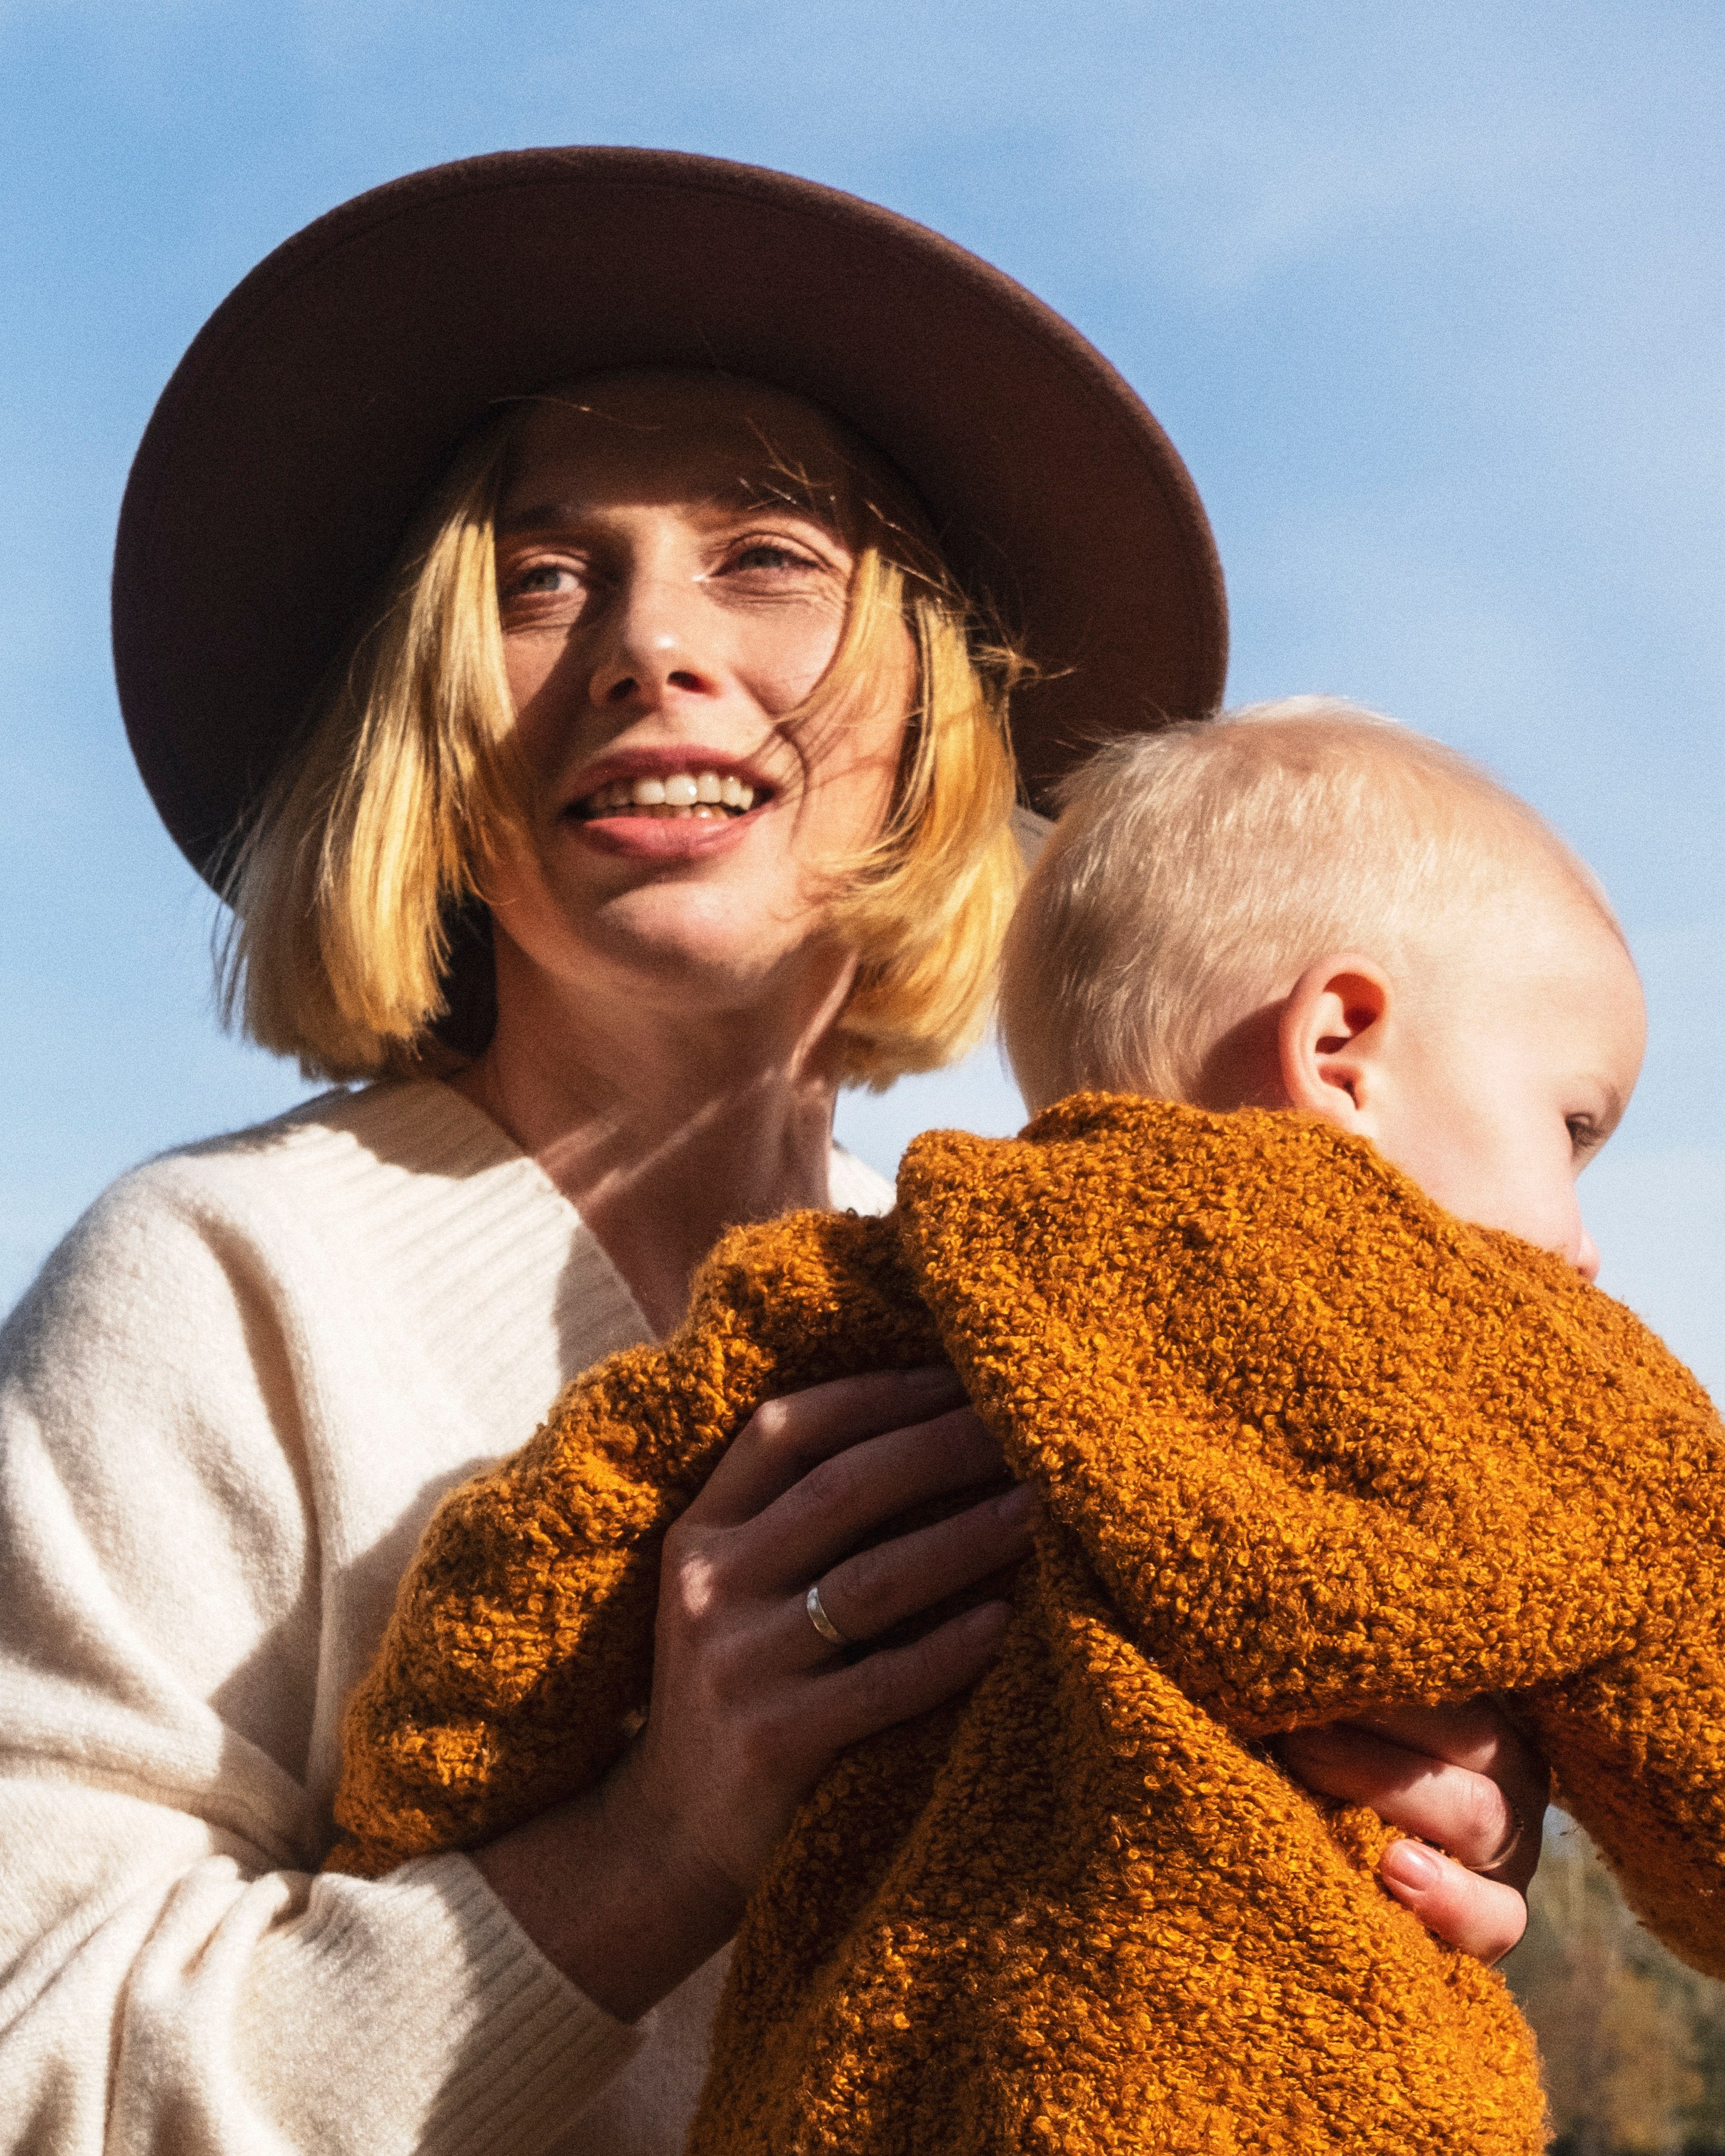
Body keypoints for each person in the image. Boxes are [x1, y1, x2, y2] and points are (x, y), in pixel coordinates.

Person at [0, 151, 1539, 2155]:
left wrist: (1401, 1813)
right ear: (428, 736)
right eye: (539, 580)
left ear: (942, 710)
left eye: (768, 557)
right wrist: (653, 1845)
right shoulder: (219, 1283)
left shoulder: (1047, 1310)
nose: (649, 643)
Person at [331, 701, 1724, 2155]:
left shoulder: (883, 1277)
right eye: (1569, 1128)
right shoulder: (1539, 1373)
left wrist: (409, 1801)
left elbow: (539, 1563)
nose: (1581, 1242)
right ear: (1338, 1042)